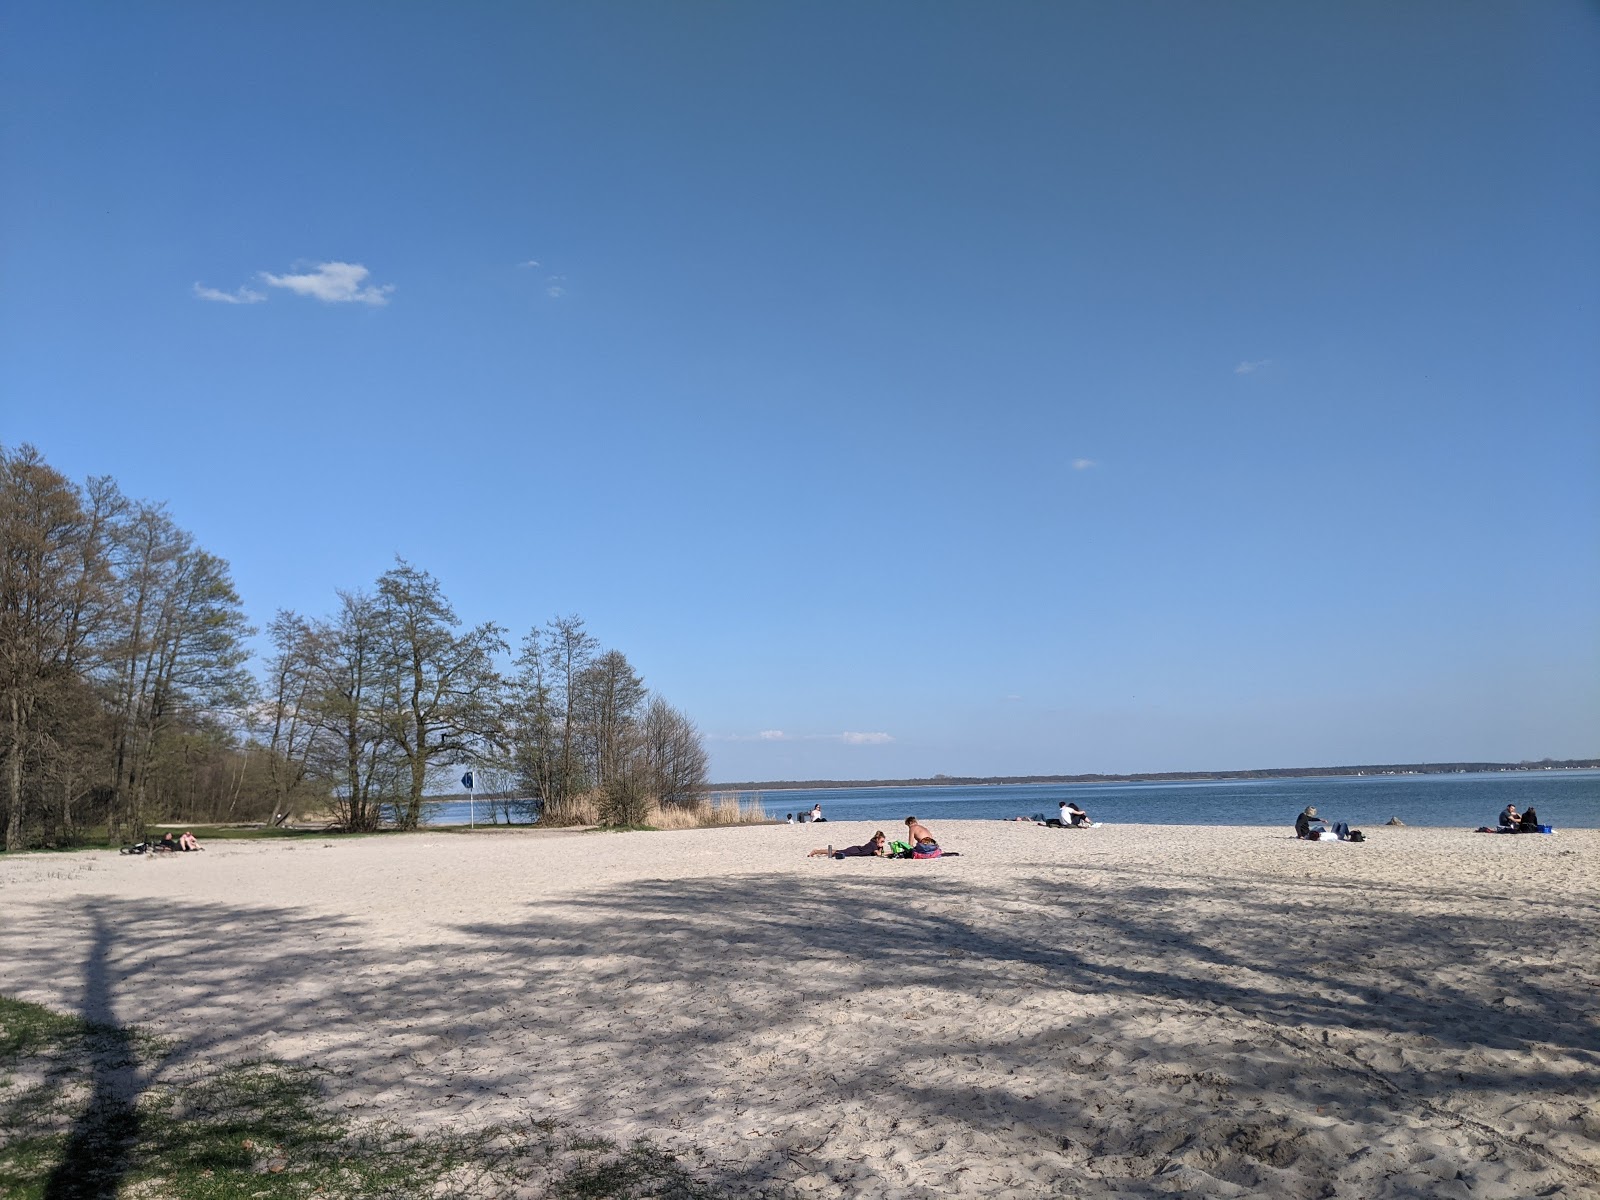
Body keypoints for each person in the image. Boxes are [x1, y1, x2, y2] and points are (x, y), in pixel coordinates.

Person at [809, 831, 887, 858]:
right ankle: (816, 851)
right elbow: (879, 854)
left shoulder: (876, 845)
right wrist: (892, 852)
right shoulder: (873, 844)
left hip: (856, 849)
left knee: (835, 853)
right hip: (854, 851)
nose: (882, 843)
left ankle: (819, 853)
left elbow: (879, 852)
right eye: (882, 841)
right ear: (877, 839)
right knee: (836, 852)